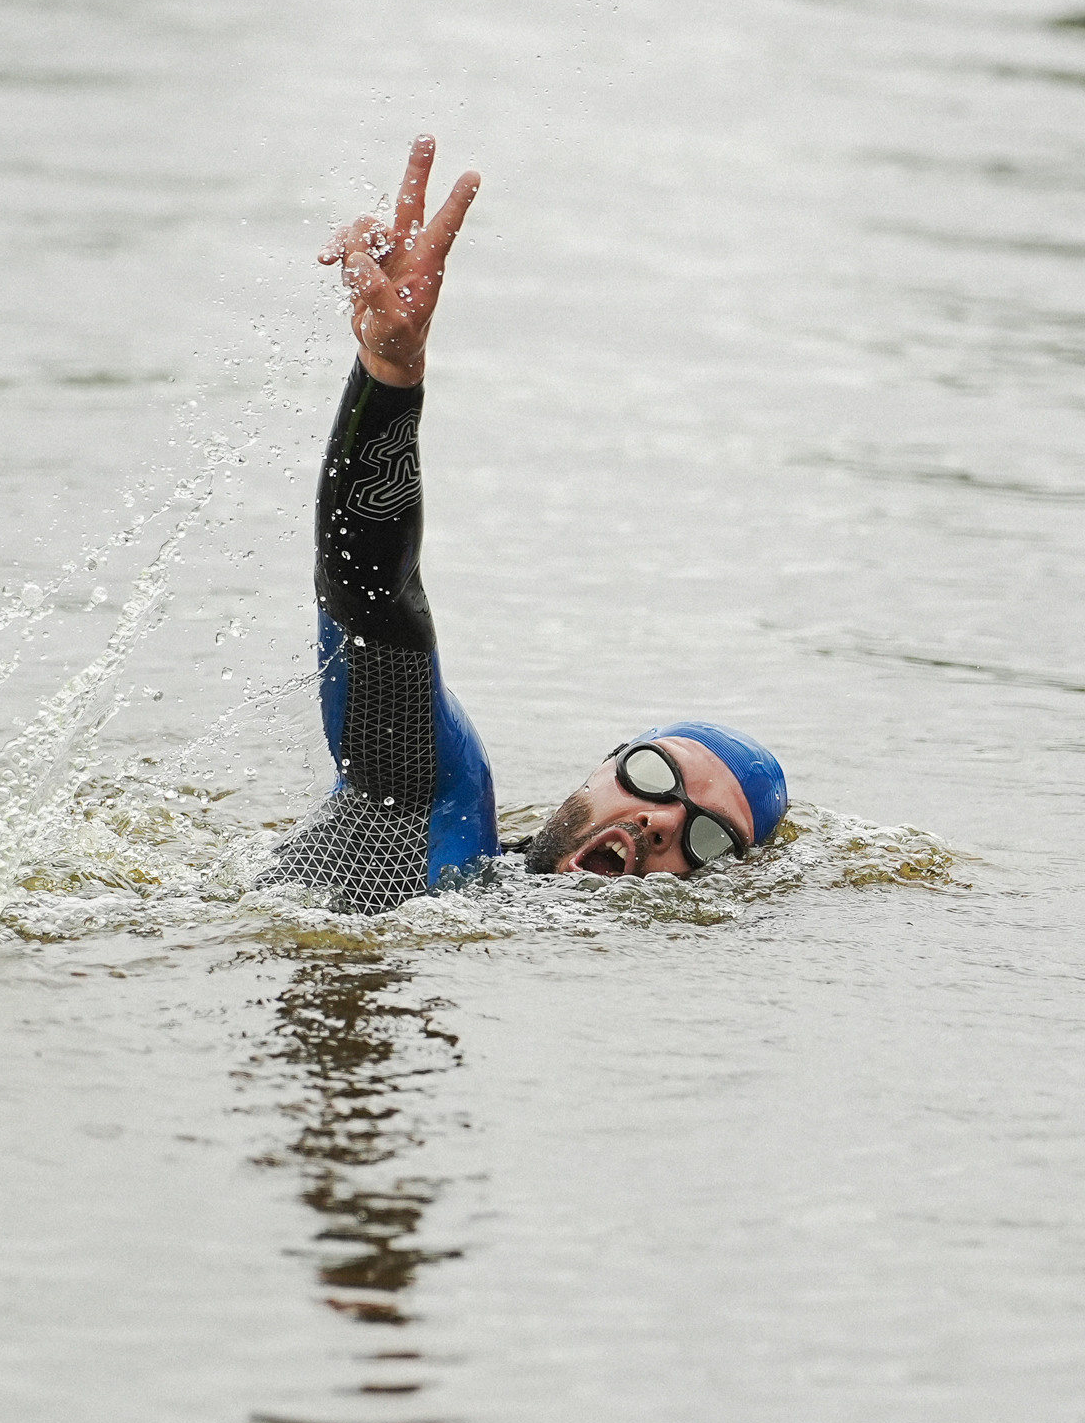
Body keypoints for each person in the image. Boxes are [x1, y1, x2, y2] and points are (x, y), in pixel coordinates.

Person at [262, 136, 788, 914]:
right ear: (603, 768)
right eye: (653, 776)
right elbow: (372, 596)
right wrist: (390, 379)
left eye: (707, 839)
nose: (658, 822)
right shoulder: (429, 811)